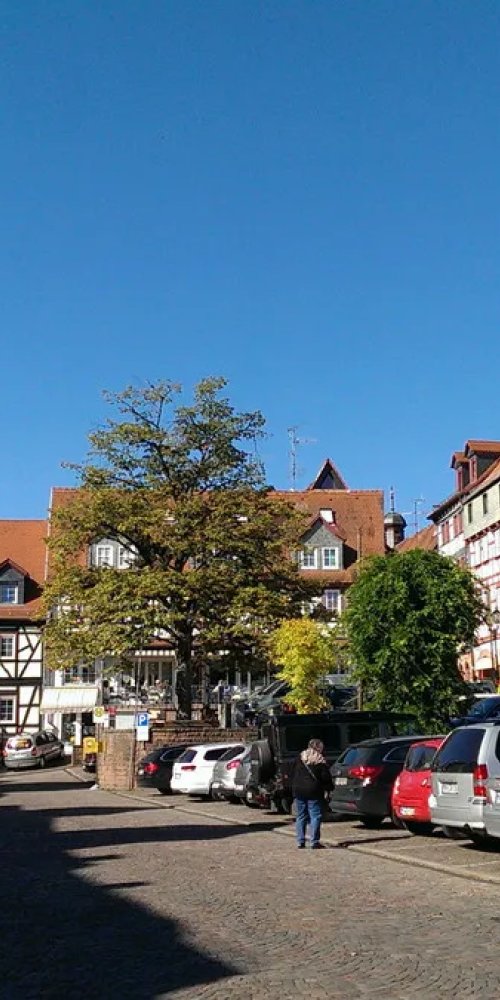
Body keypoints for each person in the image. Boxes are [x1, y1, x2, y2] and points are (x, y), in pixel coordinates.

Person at [290, 738, 333, 849]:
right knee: (315, 816)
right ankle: (314, 841)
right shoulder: (319, 760)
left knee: (301, 816)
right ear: (318, 748)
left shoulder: (299, 757)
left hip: (299, 790)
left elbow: (293, 773)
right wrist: (329, 788)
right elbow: (325, 777)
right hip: (314, 791)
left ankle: (300, 841)